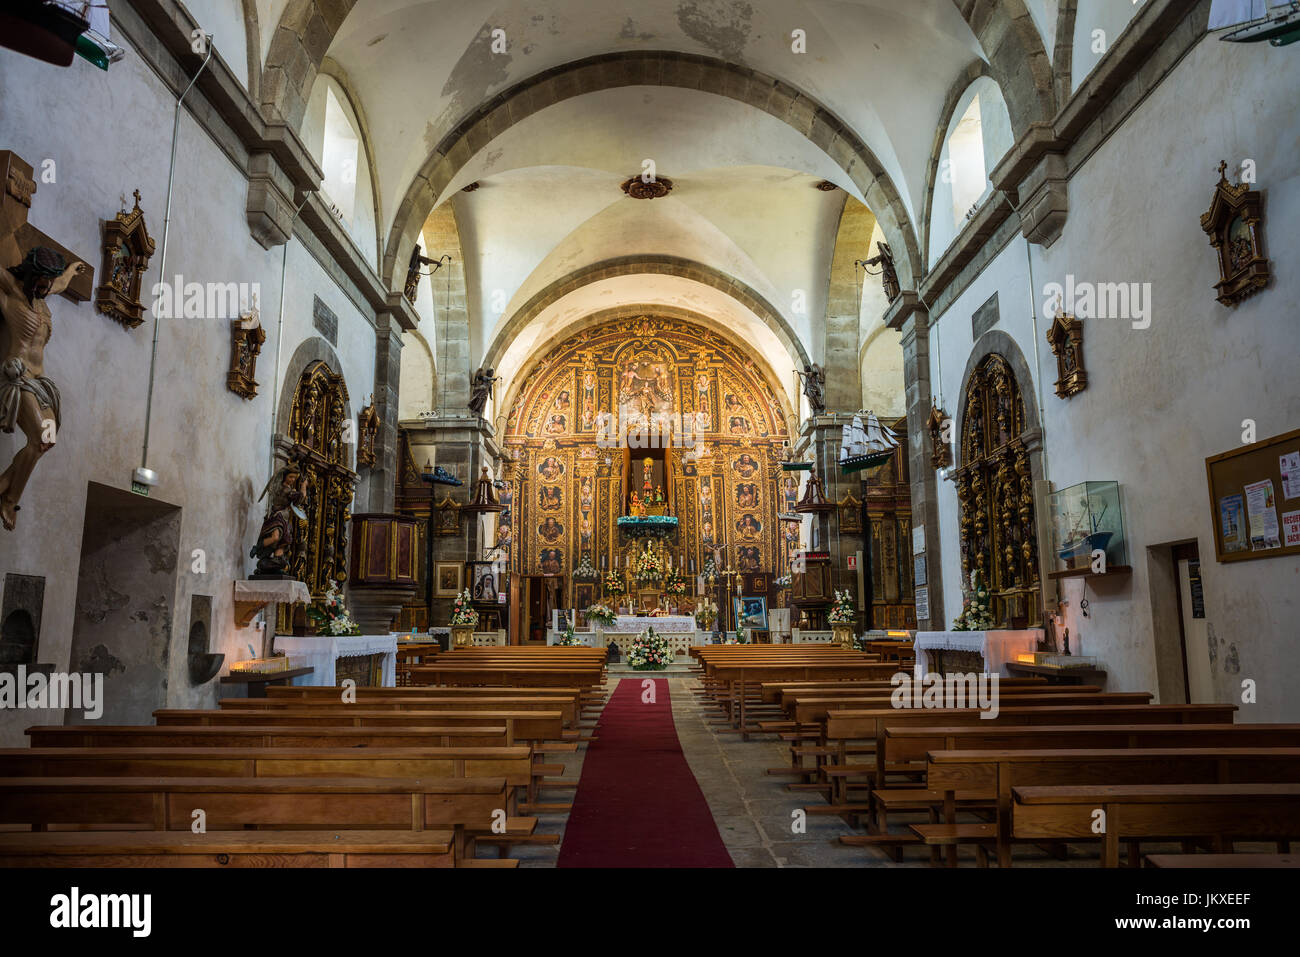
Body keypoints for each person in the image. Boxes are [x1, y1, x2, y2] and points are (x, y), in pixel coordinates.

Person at [0, 246, 87, 530]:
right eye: (41, 280)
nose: (47, 286)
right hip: (19, 378)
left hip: (41, 382)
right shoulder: (11, 291)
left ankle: (3, 485)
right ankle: (9, 500)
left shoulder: (43, 297)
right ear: (29, 273)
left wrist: (71, 271)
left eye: (49, 281)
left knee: (47, 440)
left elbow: (60, 284)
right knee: (39, 437)